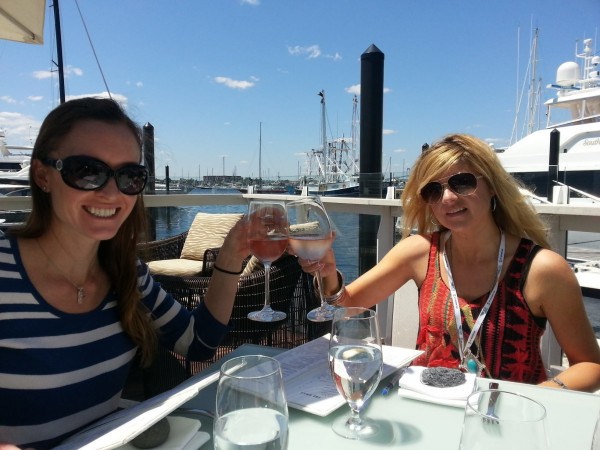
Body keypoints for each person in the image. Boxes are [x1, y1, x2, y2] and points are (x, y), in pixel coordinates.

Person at [0, 97, 250, 449]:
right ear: (43, 176)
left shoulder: (125, 274)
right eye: (87, 171)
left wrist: (231, 254)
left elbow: (198, 344)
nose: (111, 192)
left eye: (130, 176)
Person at [305, 133, 600, 392]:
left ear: (493, 187)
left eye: (461, 182)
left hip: (505, 421)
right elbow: (346, 306)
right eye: (433, 190)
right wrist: (329, 273)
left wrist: (539, 396)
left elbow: (589, 364)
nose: (447, 197)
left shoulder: (541, 269)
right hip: (429, 405)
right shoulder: (419, 252)